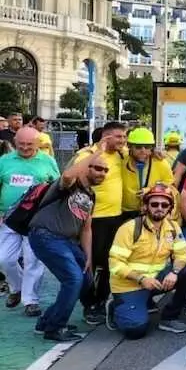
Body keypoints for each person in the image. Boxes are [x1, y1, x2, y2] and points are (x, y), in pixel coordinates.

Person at [27, 148, 107, 341]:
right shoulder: (69, 184)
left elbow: (87, 229)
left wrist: (87, 257)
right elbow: (68, 173)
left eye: (105, 170)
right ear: (86, 167)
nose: (102, 173)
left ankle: (47, 321)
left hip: (67, 241)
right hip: (46, 235)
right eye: (97, 168)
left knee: (85, 279)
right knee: (73, 280)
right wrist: (96, 153)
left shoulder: (91, 195)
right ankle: (55, 328)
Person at [107, 183, 186, 339]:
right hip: (129, 285)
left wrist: (175, 272)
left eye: (165, 205)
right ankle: (115, 306)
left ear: (170, 208)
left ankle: (169, 317)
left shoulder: (173, 227)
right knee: (135, 331)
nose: (159, 208)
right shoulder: (129, 228)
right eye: (154, 204)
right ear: (146, 206)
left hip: (156, 280)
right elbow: (115, 264)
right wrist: (142, 279)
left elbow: (182, 255)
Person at [0, 126, 59, 316]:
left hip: (36, 219)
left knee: (33, 260)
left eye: (29, 145)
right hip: (9, 218)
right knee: (4, 259)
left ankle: (30, 301)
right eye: (21, 144)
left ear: (37, 144)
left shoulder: (47, 161)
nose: (25, 148)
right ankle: (16, 288)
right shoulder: (4, 161)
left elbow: (57, 187)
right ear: (15, 142)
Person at [73, 121, 128, 326]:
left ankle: (102, 300)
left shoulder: (122, 154)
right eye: (118, 137)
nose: (122, 141)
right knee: (89, 263)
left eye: (124, 137)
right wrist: (99, 151)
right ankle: (89, 303)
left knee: (110, 262)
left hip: (115, 217)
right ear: (105, 137)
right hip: (91, 219)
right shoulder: (87, 153)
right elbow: (76, 174)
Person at [121, 128, 173, 222]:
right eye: (138, 147)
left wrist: (151, 190)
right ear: (129, 146)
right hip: (125, 213)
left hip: (151, 212)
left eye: (147, 147)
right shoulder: (121, 160)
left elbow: (170, 185)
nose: (143, 150)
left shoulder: (161, 163)